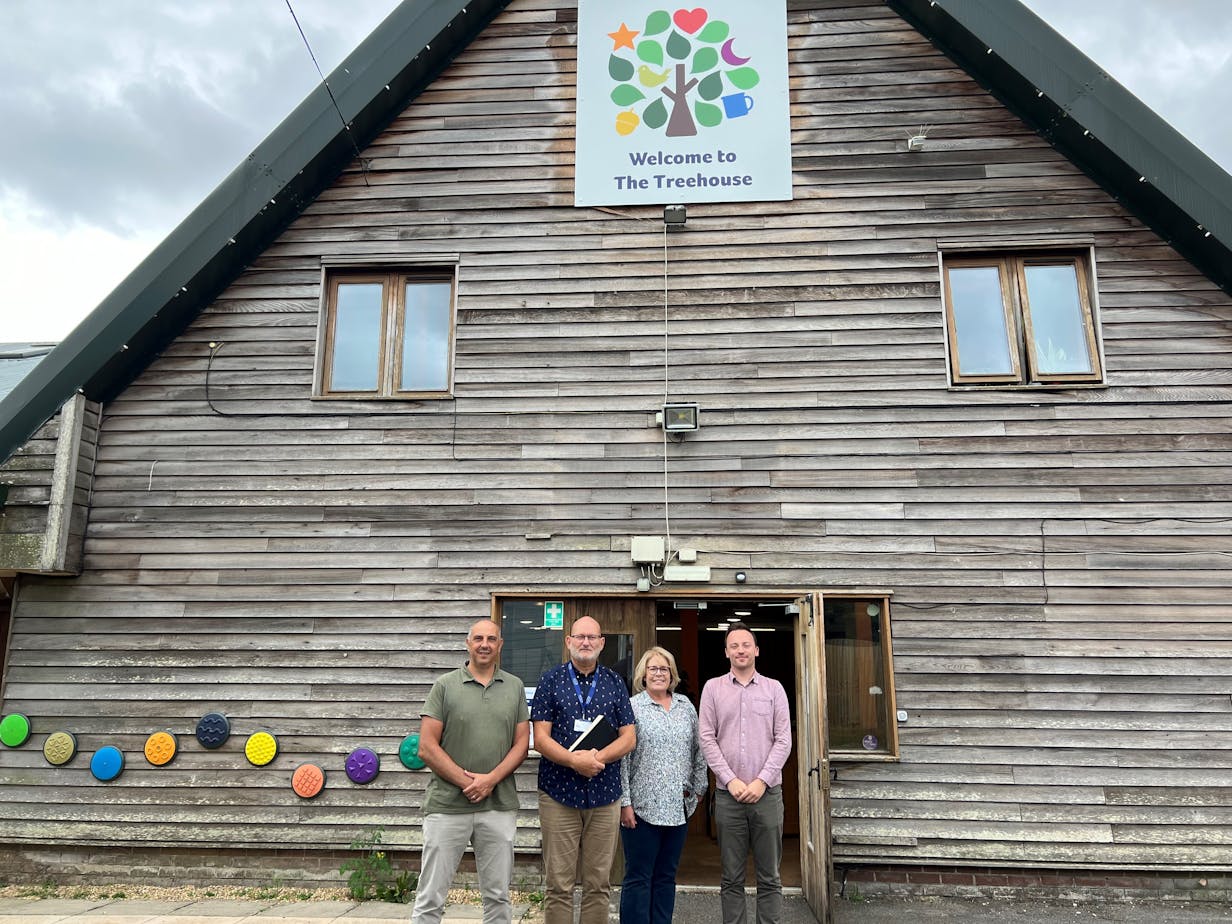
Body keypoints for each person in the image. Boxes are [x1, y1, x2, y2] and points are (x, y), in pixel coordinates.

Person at [412, 619, 530, 924]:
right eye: (478, 638)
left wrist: (489, 780)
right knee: (430, 896)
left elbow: (521, 745)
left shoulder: (515, 687)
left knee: (498, 896)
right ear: (468, 643)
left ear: (500, 645)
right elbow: (426, 747)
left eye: (491, 639)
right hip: (447, 806)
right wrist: (469, 782)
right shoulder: (444, 685)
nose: (485, 644)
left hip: (498, 805)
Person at [531, 616, 637, 924]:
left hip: (605, 796)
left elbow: (628, 737)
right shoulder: (550, 680)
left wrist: (596, 758)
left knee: (598, 884)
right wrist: (574, 760)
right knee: (559, 884)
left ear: (602, 643)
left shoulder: (615, 682)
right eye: (579, 637)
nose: (586, 642)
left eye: (592, 637)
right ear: (568, 642)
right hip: (558, 794)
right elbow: (540, 738)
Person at [699, 622, 792, 924]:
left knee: (769, 877)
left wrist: (761, 781)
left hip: (767, 795)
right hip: (729, 796)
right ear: (726, 652)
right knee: (731, 878)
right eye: (734, 645)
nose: (741, 650)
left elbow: (783, 739)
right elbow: (707, 739)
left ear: (756, 650)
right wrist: (731, 780)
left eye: (746, 644)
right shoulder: (713, 689)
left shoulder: (774, 689)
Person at [618, 647, 708, 924]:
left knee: (666, 876)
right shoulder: (632, 707)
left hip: (677, 808)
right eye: (653, 669)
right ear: (643, 675)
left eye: (664, 668)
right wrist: (625, 803)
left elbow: (699, 751)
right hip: (641, 810)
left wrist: (698, 790)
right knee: (639, 876)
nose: (659, 674)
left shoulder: (685, 707)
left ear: (672, 675)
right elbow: (622, 760)